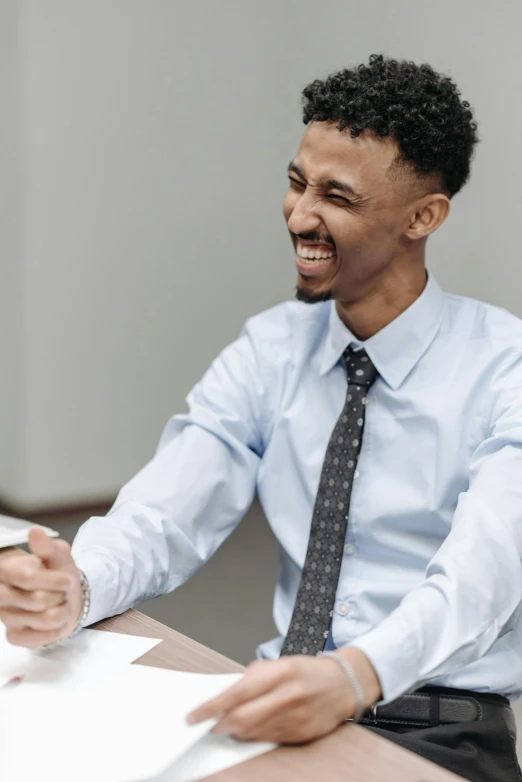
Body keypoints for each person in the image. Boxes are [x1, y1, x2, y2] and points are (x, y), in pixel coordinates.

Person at [0, 54, 521, 782]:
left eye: (336, 195)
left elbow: (484, 578)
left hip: (435, 723)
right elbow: (167, 509)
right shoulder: (273, 346)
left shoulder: (506, 366)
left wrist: (354, 676)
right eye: (296, 182)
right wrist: (75, 587)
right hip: (281, 695)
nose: (300, 216)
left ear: (423, 216)